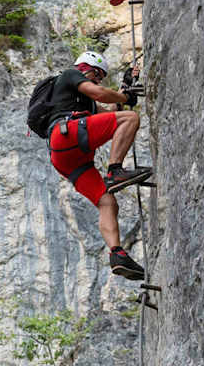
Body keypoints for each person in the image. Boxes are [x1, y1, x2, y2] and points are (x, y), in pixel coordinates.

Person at [46, 50, 153, 280]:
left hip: (66, 157)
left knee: (107, 201)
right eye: (97, 74)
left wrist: (126, 88)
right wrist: (123, 98)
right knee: (131, 119)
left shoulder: (83, 103)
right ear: (87, 69)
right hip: (68, 133)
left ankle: (117, 254)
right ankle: (115, 170)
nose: (97, 80)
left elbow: (109, 111)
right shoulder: (70, 75)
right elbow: (100, 93)